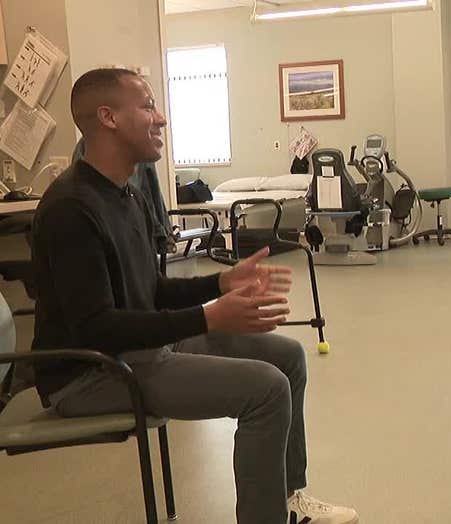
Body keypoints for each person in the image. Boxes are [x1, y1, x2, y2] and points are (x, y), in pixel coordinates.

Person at [31, 68, 357, 524]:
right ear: (108, 118)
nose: (161, 118)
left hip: (136, 350)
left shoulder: (128, 197)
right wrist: (210, 318)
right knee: (266, 389)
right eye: (148, 106)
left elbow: (152, 291)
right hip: (90, 373)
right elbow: (97, 328)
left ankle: (286, 501)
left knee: (287, 357)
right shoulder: (71, 208)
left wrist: (219, 284)